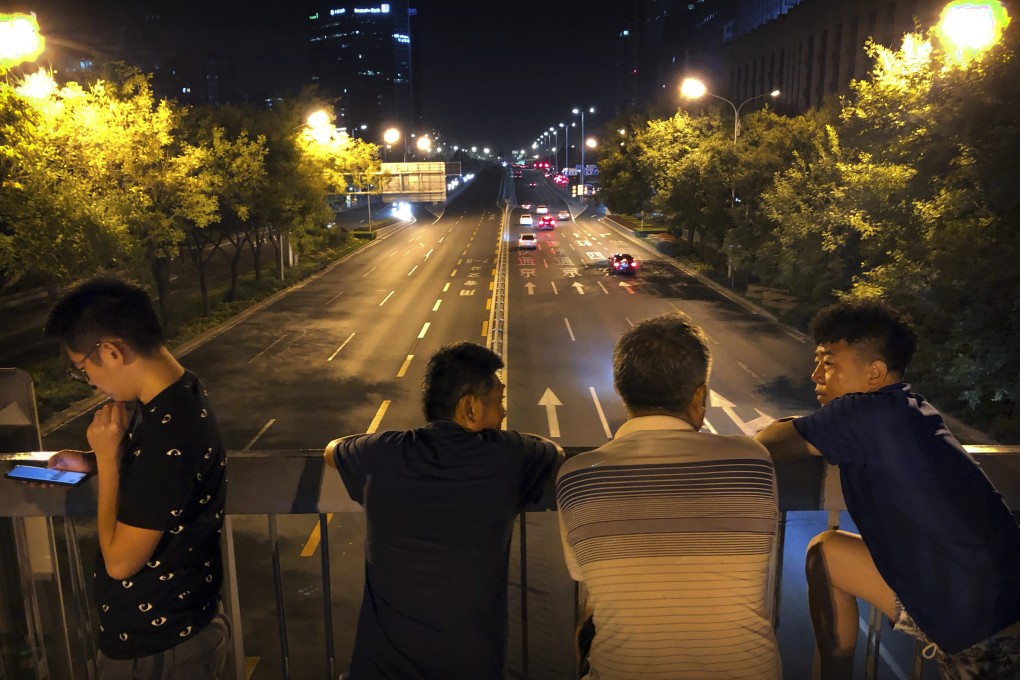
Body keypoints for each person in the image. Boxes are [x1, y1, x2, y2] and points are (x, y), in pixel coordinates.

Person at [755, 300, 1020, 680]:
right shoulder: (912, 408)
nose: (815, 375)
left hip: (992, 634)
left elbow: (771, 441)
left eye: (828, 363)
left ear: (875, 373)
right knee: (827, 554)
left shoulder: (864, 413)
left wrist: (805, 424)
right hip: (982, 599)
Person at [556, 312, 782, 680]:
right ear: (698, 396)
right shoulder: (753, 462)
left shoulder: (579, 476)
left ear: (622, 391)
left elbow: (587, 584)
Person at [323, 341, 562, 680]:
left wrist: (375, 442)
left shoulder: (382, 452)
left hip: (379, 669)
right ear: (470, 408)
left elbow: (332, 450)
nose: (503, 413)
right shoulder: (508, 455)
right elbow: (555, 451)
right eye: (498, 402)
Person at [41, 277, 230, 679]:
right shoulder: (176, 394)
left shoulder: (170, 429)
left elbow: (121, 563)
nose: (90, 382)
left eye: (82, 370)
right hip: (175, 636)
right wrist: (92, 461)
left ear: (110, 351)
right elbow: (158, 479)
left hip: (161, 654)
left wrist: (108, 463)